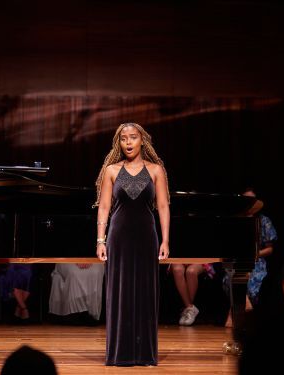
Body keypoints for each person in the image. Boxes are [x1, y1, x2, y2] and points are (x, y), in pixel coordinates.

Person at [95, 122, 170, 366]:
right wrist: (100, 240)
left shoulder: (156, 170)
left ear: (142, 141)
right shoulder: (111, 171)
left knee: (146, 292)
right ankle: (120, 353)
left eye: (133, 137)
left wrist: (166, 239)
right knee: (120, 292)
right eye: (124, 138)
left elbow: (162, 207)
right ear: (119, 143)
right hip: (119, 237)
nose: (128, 142)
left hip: (147, 237)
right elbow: (104, 207)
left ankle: (145, 353)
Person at [224, 188, 277, 327]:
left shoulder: (263, 221)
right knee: (230, 277)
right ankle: (246, 307)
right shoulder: (236, 220)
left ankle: (233, 314)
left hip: (256, 260)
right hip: (237, 260)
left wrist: (255, 254)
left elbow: (270, 249)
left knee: (253, 279)